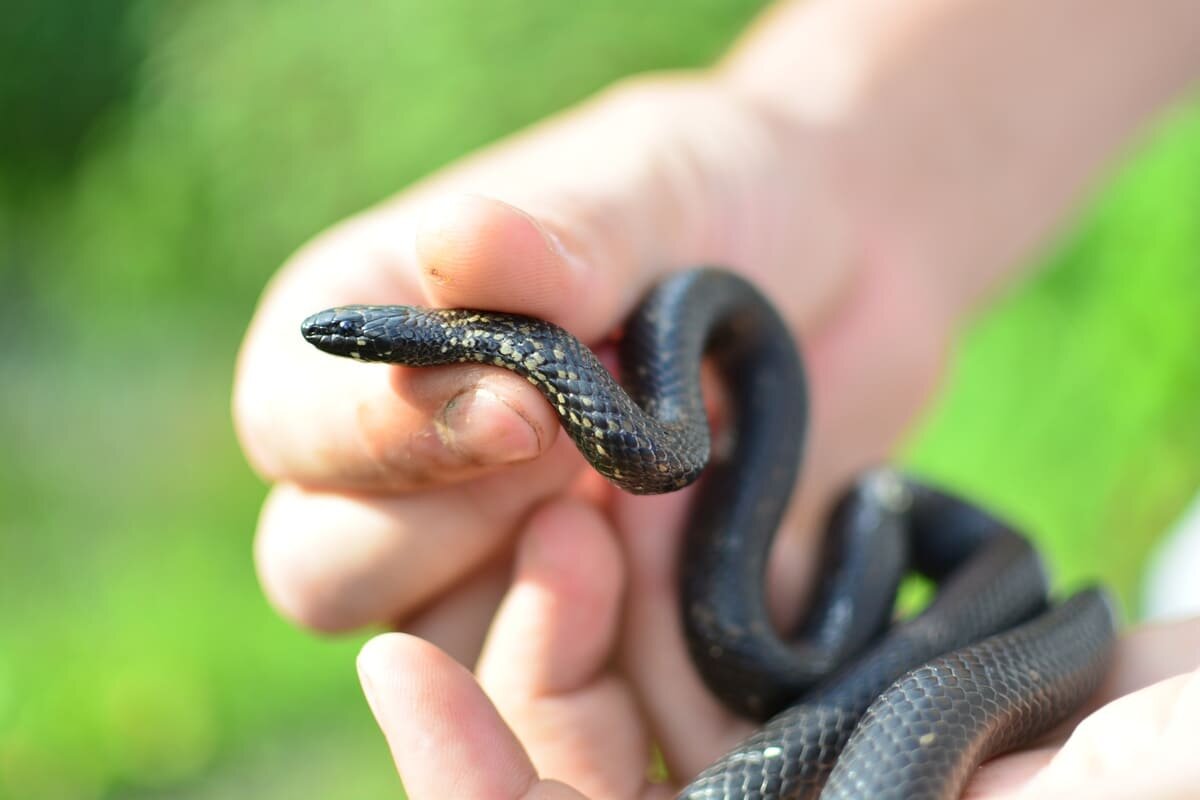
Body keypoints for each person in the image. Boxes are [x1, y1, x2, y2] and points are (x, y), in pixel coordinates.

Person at [233, 0, 1200, 796]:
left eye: (356, 339)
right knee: (856, 569)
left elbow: (666, 450)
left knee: (856, 606)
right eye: (355, 341)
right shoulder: (653, 362)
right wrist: (812, 152)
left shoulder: (643, 414)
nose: (347, 345)